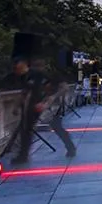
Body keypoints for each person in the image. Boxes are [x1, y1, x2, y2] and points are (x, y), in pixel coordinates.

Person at [11, 33, 76, 164]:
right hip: (35, 107)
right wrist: (18, 106)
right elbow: (26, 92)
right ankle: (23, 156)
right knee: (26, 130)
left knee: (57, 127)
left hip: (50, 107)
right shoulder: (27, 76)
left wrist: (48, 101)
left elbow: (62, 87)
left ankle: (70, 147)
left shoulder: (45, 75)